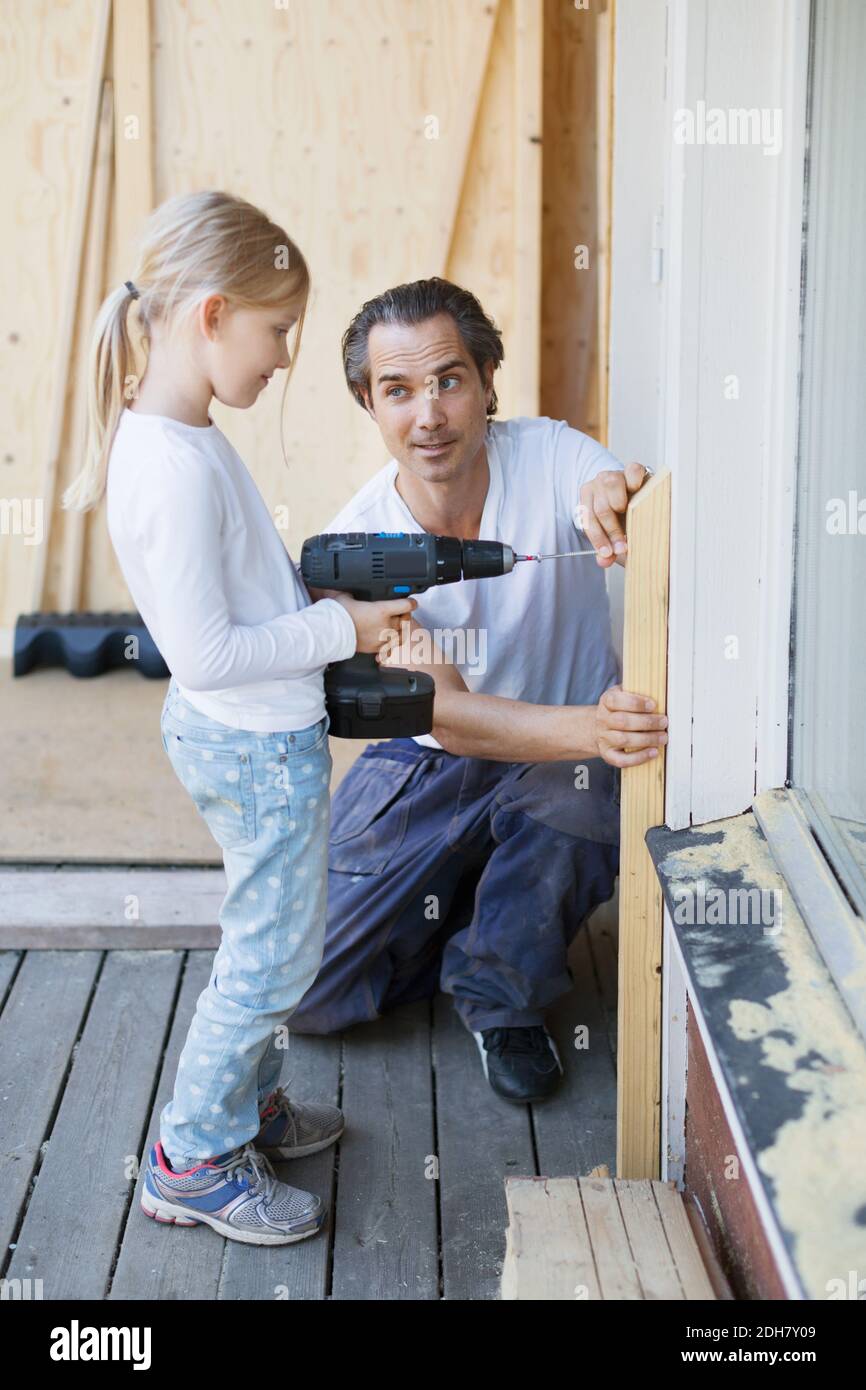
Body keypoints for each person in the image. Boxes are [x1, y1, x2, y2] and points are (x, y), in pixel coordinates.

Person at [61, 190, 415, 1245]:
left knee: (271, 938)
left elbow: (234, 598)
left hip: (261, 735)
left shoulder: (187, 432)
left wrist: (309, 608)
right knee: (270, 962)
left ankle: (247, 1105)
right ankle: (191, 1158)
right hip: (251, 743)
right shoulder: (168, 467)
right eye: (277, 331)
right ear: (212, 313)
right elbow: (205, 650)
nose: (283, 357)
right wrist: (337, 632)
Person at [293, 277, 668, 1103]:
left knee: (582, 794)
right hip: (432, 753)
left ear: (488, 380)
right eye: (397, 390)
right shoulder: (361, 547)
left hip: (564, 760)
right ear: (370, 402)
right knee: (309, 992)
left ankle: (500, 995)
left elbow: (609, 491)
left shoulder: (555, 455)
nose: (427, 415)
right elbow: (448, 716)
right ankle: (473, 909)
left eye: (448, 380)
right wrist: (593, 729)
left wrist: (620, 496)